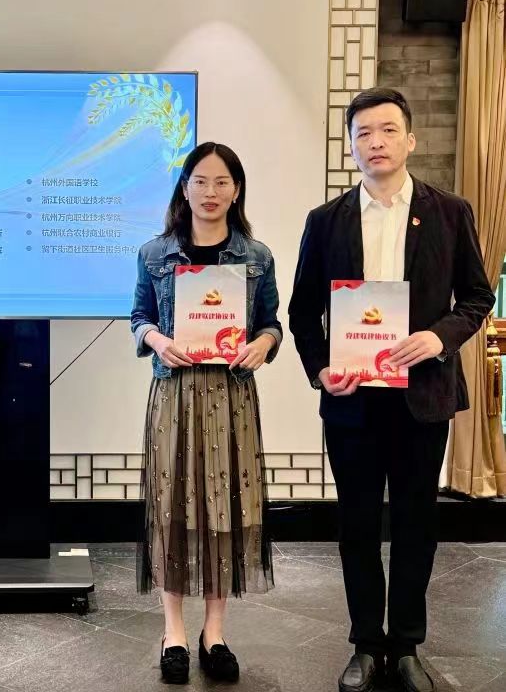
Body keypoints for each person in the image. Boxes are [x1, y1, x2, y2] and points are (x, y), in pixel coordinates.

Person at [288, 88, 495, 692]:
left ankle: (405, 645)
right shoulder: (325, 221)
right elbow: (302, 312)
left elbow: (477, 297)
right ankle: (364, 644)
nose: (375, 142)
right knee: (355, 524)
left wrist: (438, 338)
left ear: (410, 139)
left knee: (414, 523)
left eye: (386, 130)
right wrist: (320, 370)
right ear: (351, 146)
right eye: (363, 133)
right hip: (352, 400)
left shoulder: (449, 211)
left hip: (421, 396)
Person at [130, 141, 281, 684]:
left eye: (221, 182)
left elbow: (271, 323)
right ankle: (173, 631)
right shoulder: (155, 253)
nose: (210, 192)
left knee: (226, 508)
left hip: (230, 396)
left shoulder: (256, 256)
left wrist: (263, 344)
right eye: (200, 181)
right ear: (185, 188)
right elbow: (139, 316)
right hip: (175, 393)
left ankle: (213, 632)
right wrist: (156, 339)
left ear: (236, 190)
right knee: (170, 507)